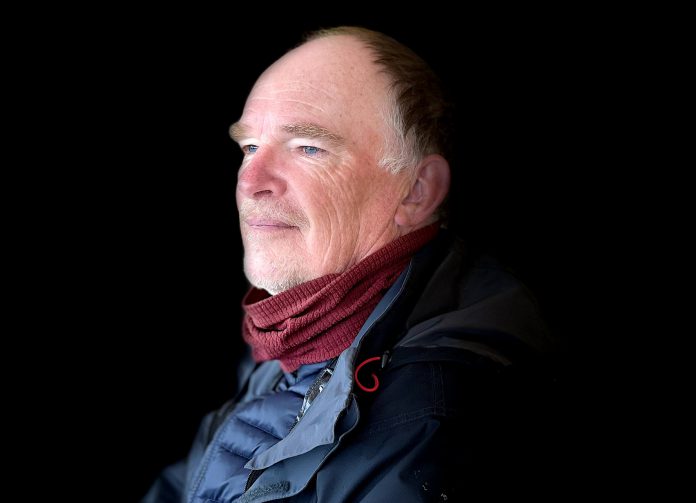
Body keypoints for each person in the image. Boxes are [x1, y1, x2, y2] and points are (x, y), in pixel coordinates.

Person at [143, 26, 559, 502]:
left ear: (416, 191)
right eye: (250, 147)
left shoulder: (436, 419)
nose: (250, 181)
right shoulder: (301, 336)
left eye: (308, 147)